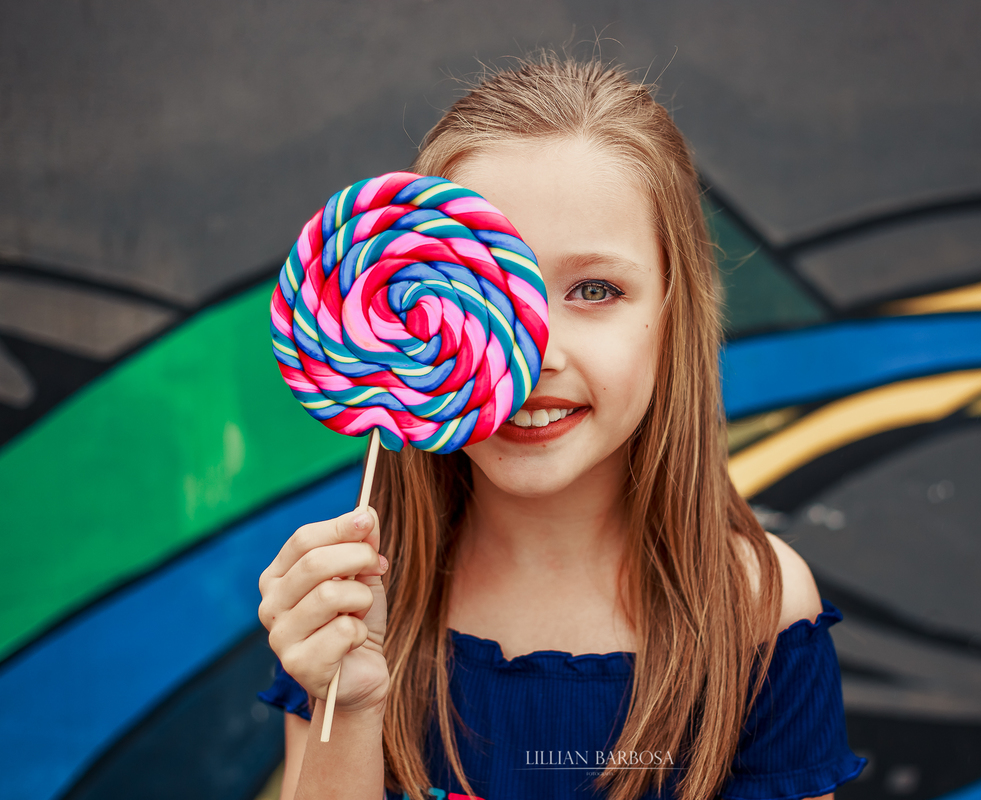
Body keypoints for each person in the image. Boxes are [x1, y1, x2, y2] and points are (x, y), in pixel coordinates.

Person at [256, 53, 866, 800]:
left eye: (594, 289)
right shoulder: (345, 602)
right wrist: (347, 709)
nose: (535, 350)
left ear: (672, 314)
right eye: (478, 287)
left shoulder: (759, 610)